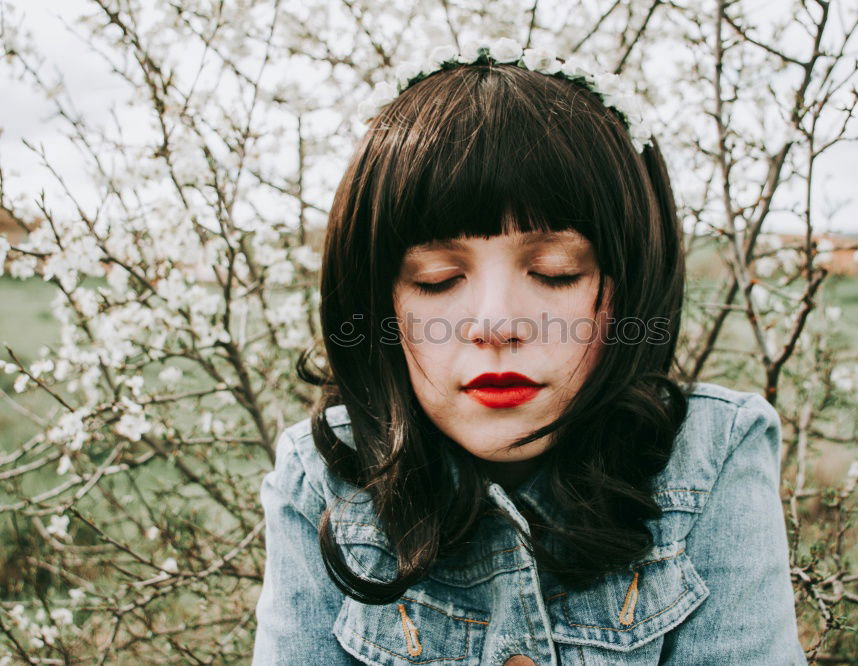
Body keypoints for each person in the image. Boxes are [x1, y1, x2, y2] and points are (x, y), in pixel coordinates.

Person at [252, 37, 808, 665]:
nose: (496, 325)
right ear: (380, 304)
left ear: (630, 287)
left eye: (555, 271)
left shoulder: (712, 456)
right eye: (436, 278)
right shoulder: (320, 477)